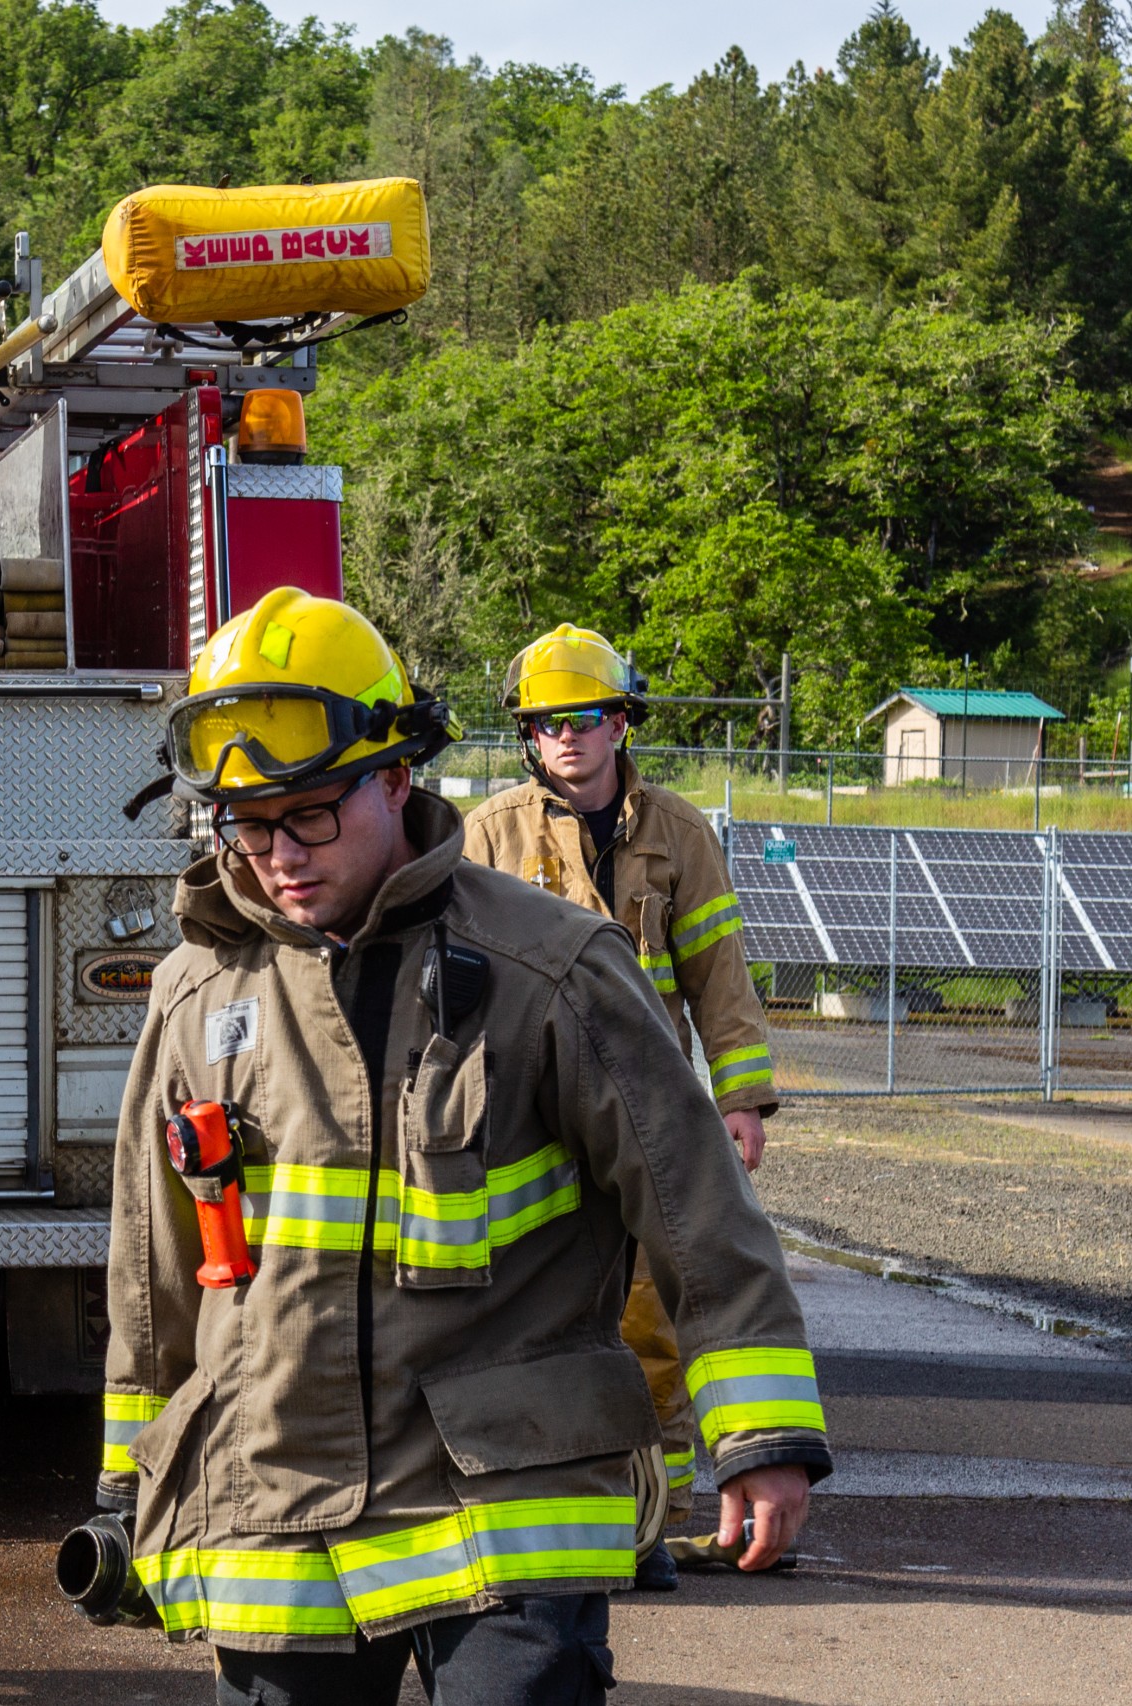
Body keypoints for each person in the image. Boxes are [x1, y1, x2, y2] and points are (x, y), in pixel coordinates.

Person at [97, 589, 829, 1705]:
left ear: (394, 776)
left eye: (310, 814)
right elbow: (153, 1277)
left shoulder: (550, 966)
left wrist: (761, 1430)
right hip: (272, 1515)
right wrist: (125, 1480)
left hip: (502, 1502)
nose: (277, 853)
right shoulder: (197, 993)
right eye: (245, 822)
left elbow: (693, 1206)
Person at [459, 622, 782, 1591]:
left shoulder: (678, 833)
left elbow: (719, 974)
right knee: (525, 1312)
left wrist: (742, 1098)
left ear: (620, 720)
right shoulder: (488, 832)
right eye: (547, 720)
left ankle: (649, 1524)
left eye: (585, 716)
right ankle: (531, 1509)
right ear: (528, 731)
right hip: (520, 1115)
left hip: (647, 1111)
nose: (567, 735)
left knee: (649, 1314)